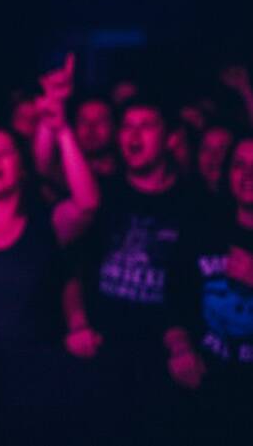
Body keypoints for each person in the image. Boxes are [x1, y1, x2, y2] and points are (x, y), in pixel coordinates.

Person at [0, 72, 99, 444]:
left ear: (22, 167)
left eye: (4, 152)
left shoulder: (47, 223)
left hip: (39, 382)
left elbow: (87, 205)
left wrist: (61, 127)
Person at [62, 96, 203, 443]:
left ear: (170, 137)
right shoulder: (102, 194)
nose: (133, 136)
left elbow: (196, 286)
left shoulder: (193, 203)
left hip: (162, 366)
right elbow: (68, 268)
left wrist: (182, 341)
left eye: (146, 126)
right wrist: (78, 321)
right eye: (127, 126)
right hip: (100, 356)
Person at [186, 133, 253, 444]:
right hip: (207, 385)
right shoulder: (207, 226)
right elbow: (176, 297)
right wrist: (178, 345)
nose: (248, 175)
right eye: (239, 165)